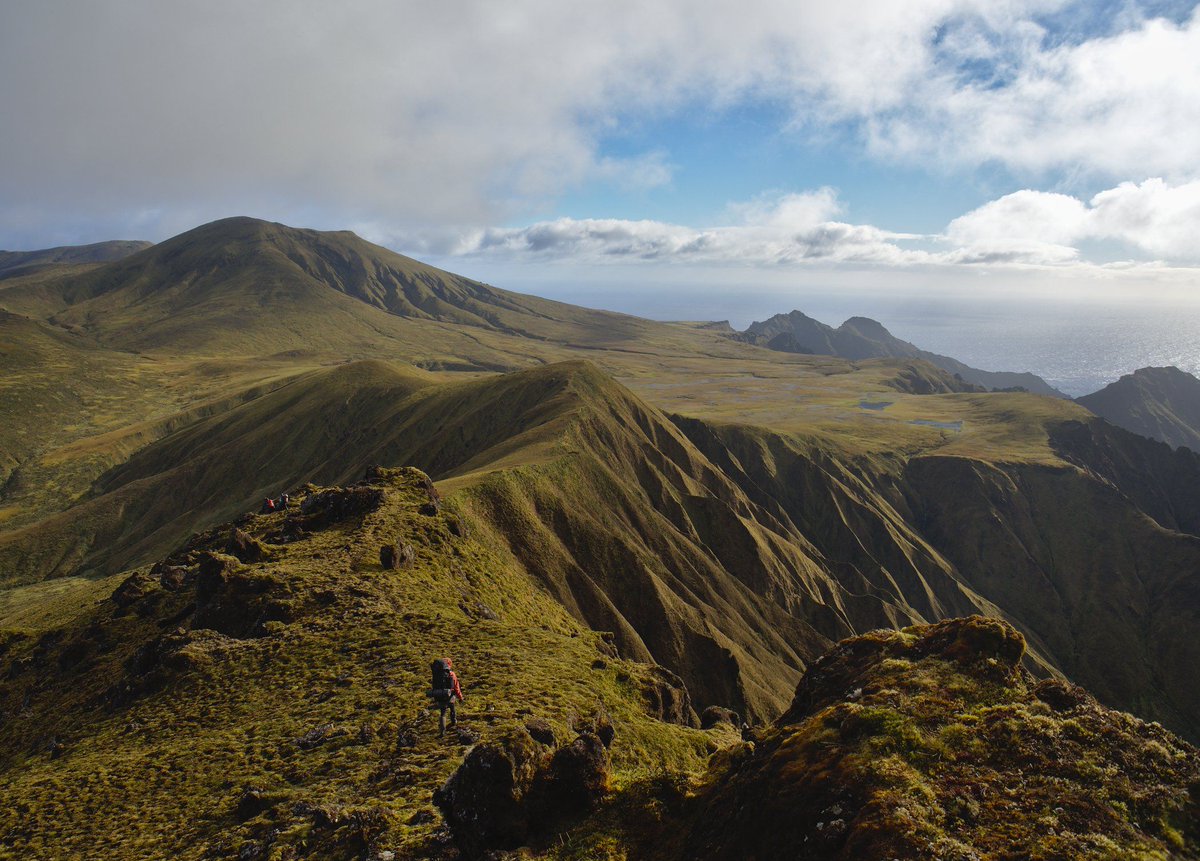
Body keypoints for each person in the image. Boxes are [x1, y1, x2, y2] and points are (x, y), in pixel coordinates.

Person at [430, 657, 464, 736]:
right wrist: (460, 697)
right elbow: (456, 687)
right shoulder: (451, 674)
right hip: (450, 695)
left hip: (440, 695)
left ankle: (442, 731)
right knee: (452, 707)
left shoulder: (437, 674)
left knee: (443, 713)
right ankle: (453, 721)